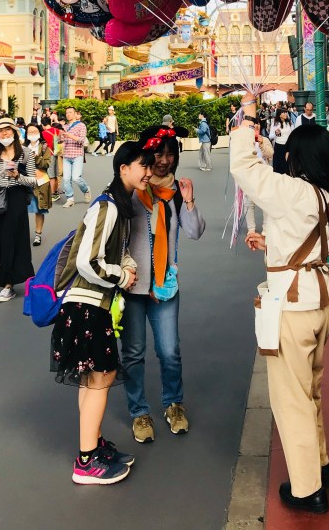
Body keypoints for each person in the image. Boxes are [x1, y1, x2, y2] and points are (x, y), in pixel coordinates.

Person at [230, 94, 329, 515]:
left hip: (293, 306)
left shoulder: (292, 193)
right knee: (310, 388)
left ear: (298, 159)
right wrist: (275, 242)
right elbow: (318, 241)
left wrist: (245, 124)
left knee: (290, 397)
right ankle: (319, 463)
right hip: (322, 300)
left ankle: (306, 489)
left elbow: (244, 168)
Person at [52, 142, 149, 486]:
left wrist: (125, 264)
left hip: (89, 305)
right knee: (101, 379)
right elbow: (87, 262)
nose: (148, 172)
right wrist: (122, 276)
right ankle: (87, 461)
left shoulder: (117, 207)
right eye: (142, 165)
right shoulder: (107, 207)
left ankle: (91, 446)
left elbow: (107, 252)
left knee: (92, 379)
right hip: (87, 305)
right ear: (123, 168)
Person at [121, 125, 206, 444]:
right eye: (159, 153)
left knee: (170, 351)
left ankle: (174, 404)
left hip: (165, 287)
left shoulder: (175, 194)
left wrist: (190, 202)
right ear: (146, 154)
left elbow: (195, 231)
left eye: (171, 154)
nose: (165, 160)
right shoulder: (129, 191)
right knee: (133, 353)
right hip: (131, 286)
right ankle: (138, 411)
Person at [0, 117, 36, 303]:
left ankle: (8, 285)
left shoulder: (25, 153)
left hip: (16, 197)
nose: (4, 133)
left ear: (14, 131)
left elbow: (34, 181)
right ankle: (14, 271)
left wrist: (18, 175)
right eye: (0, 130)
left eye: (7, 130)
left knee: (11, 239)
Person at [27, 122, 52, 247]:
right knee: (21, 209)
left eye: (34, 131)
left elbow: (46, 164)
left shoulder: (44, 147)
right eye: (29, 132)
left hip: (40, 182)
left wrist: (36, 157)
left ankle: (38, 234)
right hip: (24, 182)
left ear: (39, 133)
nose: (32, 134)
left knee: (39, 209)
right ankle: (22, 234)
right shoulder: (22, 147)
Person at [61, 106, 91, 208]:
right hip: (66, 155)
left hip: (77, 154)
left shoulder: (81, 125)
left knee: (76, 178)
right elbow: (60, 140)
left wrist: (69, 135)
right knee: (66, 179)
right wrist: (59, 137)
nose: (68, 114)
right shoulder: (64, 127)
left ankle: (86, 189)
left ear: (75, 114)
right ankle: (70, 198)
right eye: (67, 113)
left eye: (70, 112)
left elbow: (82, 140)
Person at [270, 108, 294, 175]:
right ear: (279, 114)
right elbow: (270, 136)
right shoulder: (275, 123)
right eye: (283, 112)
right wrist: (275, 133)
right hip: (279, 147)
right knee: (279, 168)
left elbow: (292, 133)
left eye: (286, 112)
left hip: (287, 147)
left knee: (287, 167)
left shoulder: (289, 123)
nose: (286, 114)